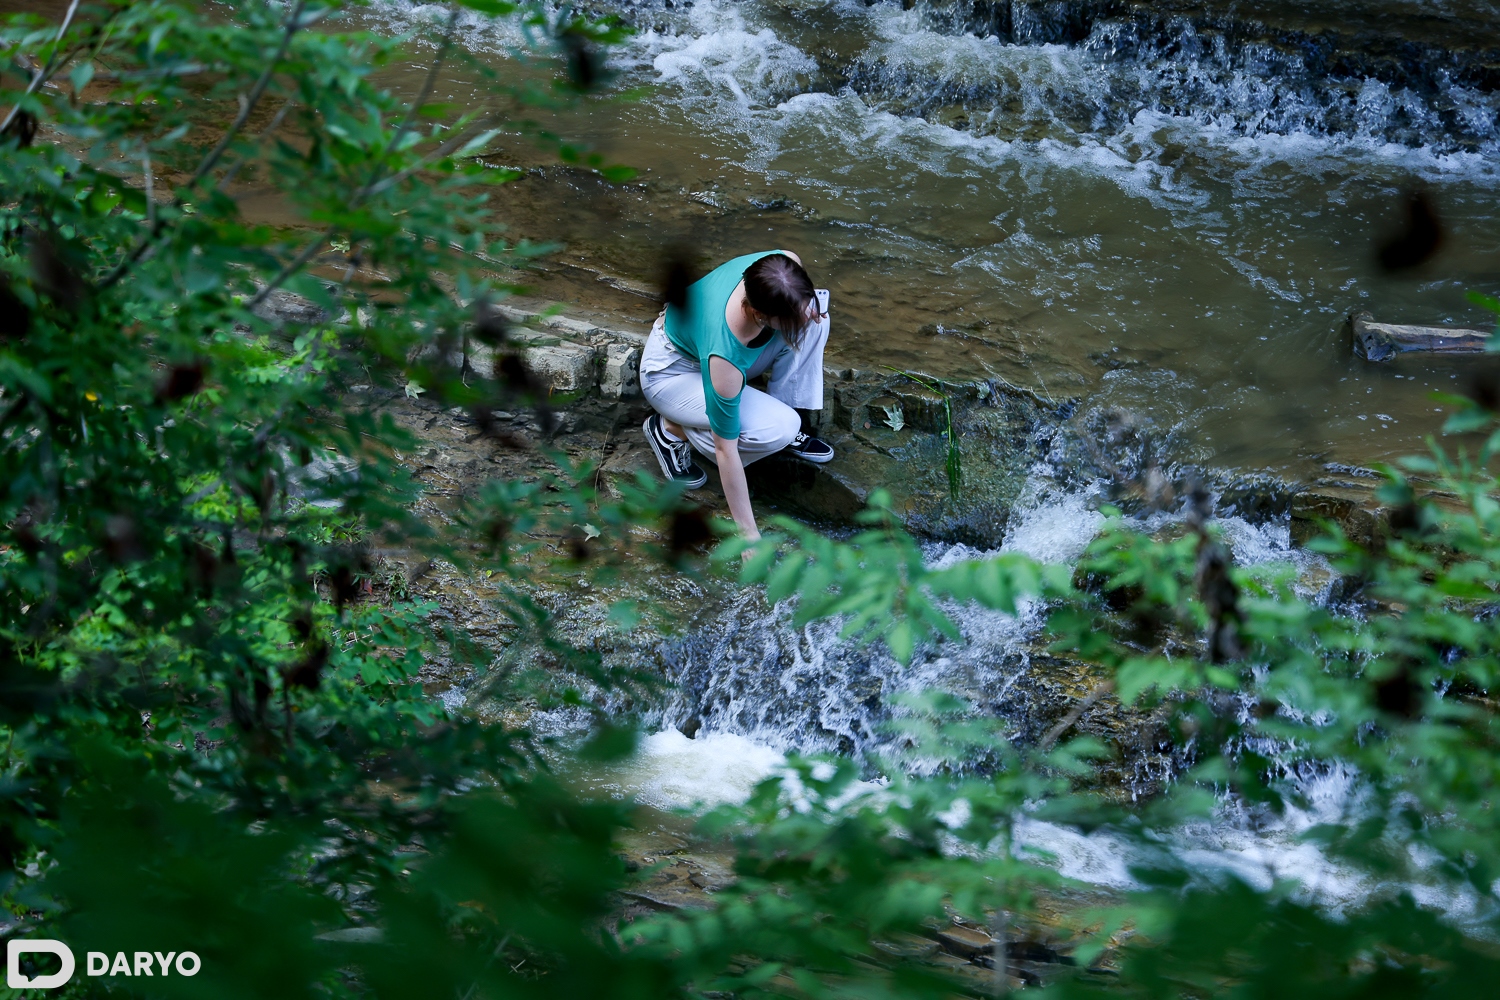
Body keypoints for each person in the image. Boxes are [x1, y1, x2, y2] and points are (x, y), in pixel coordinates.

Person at [640, 249, 835, 544]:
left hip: (717, 349)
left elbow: (797, 294)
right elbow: (725, 449)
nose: (805, 314)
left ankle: (787, 417)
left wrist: (809, 306)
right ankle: (670, 429)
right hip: (674, 374)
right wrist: (749, 536)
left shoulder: (785, 262)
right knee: (776, 429)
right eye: (788, 318)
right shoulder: (724, 356)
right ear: (758, 314)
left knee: (818, 320)